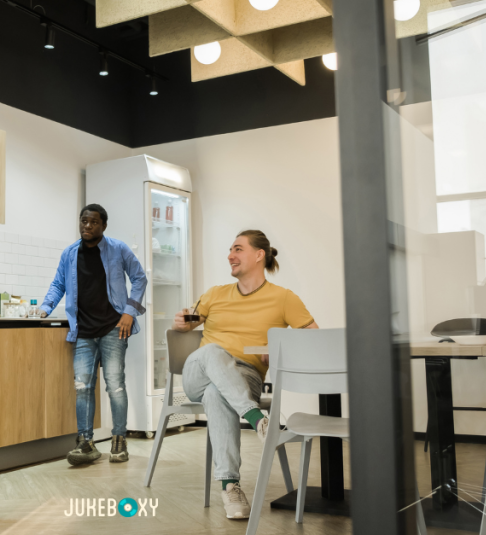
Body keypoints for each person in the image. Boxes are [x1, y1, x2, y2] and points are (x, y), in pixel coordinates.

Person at [171, 230, 318, 520]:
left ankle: (230, 488)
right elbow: (188, 323)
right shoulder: (215, 294)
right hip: (198, 373)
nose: (230, 255)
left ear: (259, 255)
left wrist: (278, 348)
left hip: (245, 377)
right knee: (212, 352)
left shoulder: (283, 298)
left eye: (238, 249)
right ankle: (258, 421)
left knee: (217, 394)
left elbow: (314, 339)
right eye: (230, 249)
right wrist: (181, 324)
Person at [40, 204, 147, 466]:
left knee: (115, 385)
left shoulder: (118, 248)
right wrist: (44, 308)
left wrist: (129, 312)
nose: (88, 226)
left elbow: (139, 278)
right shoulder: (69, 254)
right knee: (83, 387)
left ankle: (119, 440)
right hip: (83, 331)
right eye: (84, 221)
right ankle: (85, 443)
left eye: (94, 222)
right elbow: (58, 284)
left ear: (104, 226)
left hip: (114, 327)